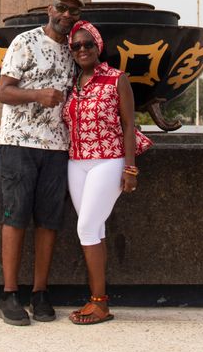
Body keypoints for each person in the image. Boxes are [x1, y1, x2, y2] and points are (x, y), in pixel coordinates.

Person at [0, 0, 85, 326]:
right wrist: (37, 96)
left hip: (57, 146)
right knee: (15, 216)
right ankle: (8, 295)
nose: (66, 14)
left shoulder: (75, 50)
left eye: (73, 10)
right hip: (19, 142)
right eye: (61, 7)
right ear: (50, 8)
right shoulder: (26, 42)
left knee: (49, 221)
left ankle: (40, 292)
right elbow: (4, 92)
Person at [62, 20, 153, 325]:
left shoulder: (117, 79)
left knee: (86, 228)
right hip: (77, 162)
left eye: (88, 44)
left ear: (98, 46)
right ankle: (97, 299)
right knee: (95, 229)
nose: (83, 49)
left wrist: (130, 167)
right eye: (76, 46)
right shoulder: (72, 85)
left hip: (109, 160)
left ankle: (99, 302)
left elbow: (129, 125)